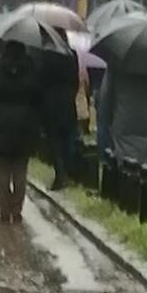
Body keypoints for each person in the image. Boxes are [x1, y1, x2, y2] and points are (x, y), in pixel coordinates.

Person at [0, 41, 41, 223]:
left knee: (2, 170)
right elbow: (36, 97)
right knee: (20, 170)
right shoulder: (31, 73)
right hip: (24, 125)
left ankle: (4, 210)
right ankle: (17, 209)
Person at [97, 68, 147, 168]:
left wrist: (107, 119)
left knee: (124, 163)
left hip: (124, 117)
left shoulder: (118, 61)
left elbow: (106, 94)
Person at [41, 42, 80, 189]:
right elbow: (75, 81)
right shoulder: (71, 54)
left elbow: (41, 80)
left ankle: (60, 173)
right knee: (67, 138)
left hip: (50, 103)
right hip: (68, 102)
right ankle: (67, 171)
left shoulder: (45, 55)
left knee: (54, 140)